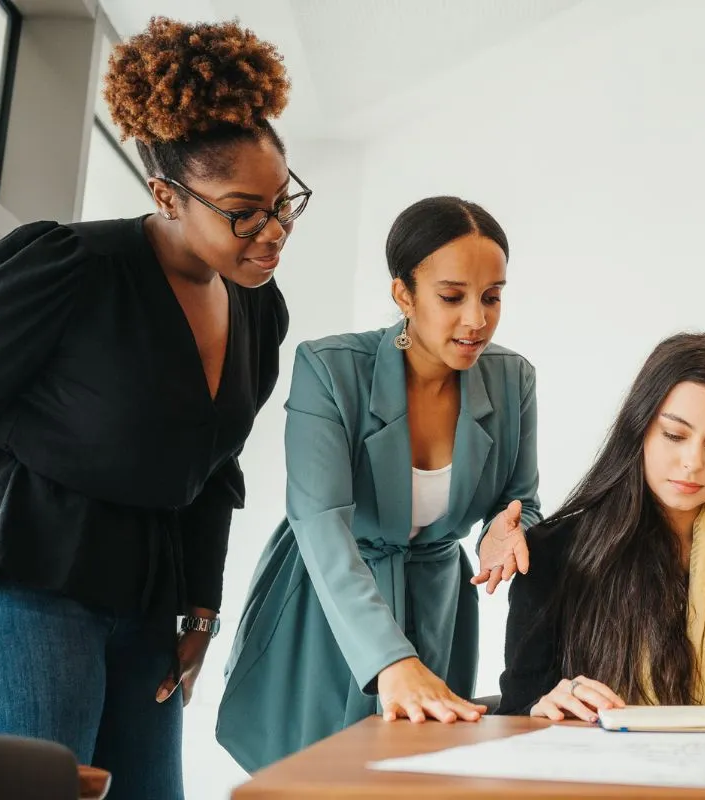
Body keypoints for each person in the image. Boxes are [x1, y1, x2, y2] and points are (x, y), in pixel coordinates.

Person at [0, 16, 304, 799]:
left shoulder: (258, 308)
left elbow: (214, 468)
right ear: (165, 195)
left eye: (283, 203)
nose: (273, 231)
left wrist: (202, 609)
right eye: (244, 210)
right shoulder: (68, 268)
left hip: (147, 596)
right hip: (24, 582)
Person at [217, 196, 540, 771]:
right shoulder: (329, 368)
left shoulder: (512, 379)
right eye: (451, 296)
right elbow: (319, 525)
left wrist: (503, 532)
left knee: (415, 773)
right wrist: (390, 660)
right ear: (402, 294)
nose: (477, 319)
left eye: (492, 297)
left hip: (437, 608)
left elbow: (521, 502)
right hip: (327, 605)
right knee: (315, 773)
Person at [498, 333, 705, 720]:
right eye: (674, 435)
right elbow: (515, 711)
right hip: (600, 774)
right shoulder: (553, 549)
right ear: (640, 426)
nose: (693, 462)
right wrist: (544, 705)